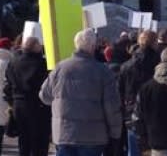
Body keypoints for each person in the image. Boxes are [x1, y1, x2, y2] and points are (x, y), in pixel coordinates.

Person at [40, 28, 122, 156]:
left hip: (64, 133)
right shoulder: (104, 72)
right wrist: (115, 132)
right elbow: (111, 107)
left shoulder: (60, 68)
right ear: (93, 46)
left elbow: (44, 96)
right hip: (93, 136)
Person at [5, 36, 51, 156]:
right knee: (39, 143)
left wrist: (11, 102)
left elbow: (7, 86)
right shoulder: (41, 64)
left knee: (24, 141)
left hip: (19, 106)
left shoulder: (13, 62)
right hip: (38, 107)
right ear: (36, 47)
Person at [119, 30, 160, 156]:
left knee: (134, 151)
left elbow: (120, 91)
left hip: (132, 114)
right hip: (155, 114)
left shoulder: (126, 66)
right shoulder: (158, 65)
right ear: (154, 43)